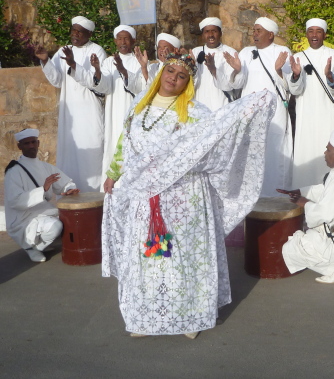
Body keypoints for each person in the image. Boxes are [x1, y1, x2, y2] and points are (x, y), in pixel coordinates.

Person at [102, 53, 275, 338]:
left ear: (188, 83)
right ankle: (146, 318)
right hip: (146, 197)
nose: (174, 78)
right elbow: (126, 142)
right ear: (161, 73)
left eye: (181, 76)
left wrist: (246, 111)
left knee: (182, 256)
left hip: (184, 197)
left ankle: (190, 317)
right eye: (170, 71)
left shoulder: (196, 112)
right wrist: (113, 172)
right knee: (149, 256)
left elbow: (216, 141)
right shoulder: (139, 105)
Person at [277, 130, 334, 284]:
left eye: (328, 150)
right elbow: (326, 190)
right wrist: (301, 191)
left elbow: (326, 212)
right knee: (305, 238)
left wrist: (304, 203)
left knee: (293, 247)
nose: (325, 153)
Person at [35, 16, 107, 192]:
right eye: (73, 30)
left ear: (89, 34)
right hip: (70, 112)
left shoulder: (97, 51)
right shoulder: (63, 50)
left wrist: (73, 64)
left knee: (92, 152)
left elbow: (96, 83)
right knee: (70, 152)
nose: (75, 34)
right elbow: (57, 80)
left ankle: (94, 195)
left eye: (80, 32)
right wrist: (45, 60)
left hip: (89, 110)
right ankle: (69, 192)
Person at [227, 17, 293, 197]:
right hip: (250, 111)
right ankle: (249, 194)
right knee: (250, 150)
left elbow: (289, 86)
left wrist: (279, 71)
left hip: (275, 111)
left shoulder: (282, 51)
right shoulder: (246, 52)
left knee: (274, 149)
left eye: (259, 31)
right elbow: (237, 84)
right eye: (254, 30)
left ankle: (274, 194)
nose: (254, 34)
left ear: (270, 34)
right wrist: (237, 70)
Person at [72, 25, 144, 184]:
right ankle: (112, 187)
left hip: (133, 113)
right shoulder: (108, 62)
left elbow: (141, 88)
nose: (123, 42)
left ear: (133, 41)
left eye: (126, 39)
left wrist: (123, 70)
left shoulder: (138, 61)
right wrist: (97, 69)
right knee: (113, 145)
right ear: (115, 41)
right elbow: (105, 87)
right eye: (120, 39)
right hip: (114, 113)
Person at [4, 129, 80, 262]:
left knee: (71, 220)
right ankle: (32, 248)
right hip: (24, 218)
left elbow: (65, 182)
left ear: (38, 143)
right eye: (27, 143)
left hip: (44, 211)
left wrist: (69, 189)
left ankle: (39, 244)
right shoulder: (14, 171)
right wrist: (43, 189)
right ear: (19, 146)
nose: (31, 146)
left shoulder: (46, 167)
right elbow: (15, 201)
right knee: (55, 227)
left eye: (33, 142)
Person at [288, 18, 334, 189]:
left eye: (318, 31)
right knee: (307, 151)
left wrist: (330, 77)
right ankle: (304, 192)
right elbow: (295, 91)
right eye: (310, 31)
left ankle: (330, 191)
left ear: (325, 35)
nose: (314, 35)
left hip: (327, 113)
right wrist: (296, 76)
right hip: (306, 115)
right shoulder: (298, 57)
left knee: (329, 149)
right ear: (306, 34)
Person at [191, 17, 240, 111]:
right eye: (207, 32)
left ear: (220, 33)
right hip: (199, 105)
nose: (210, 35)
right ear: (202, 35)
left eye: (214, 31)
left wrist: (213, 70)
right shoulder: (196, 52)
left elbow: (230, 86)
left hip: (222, 105)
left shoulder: (230, 53)